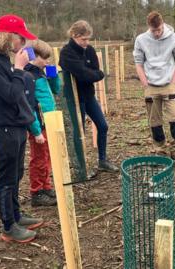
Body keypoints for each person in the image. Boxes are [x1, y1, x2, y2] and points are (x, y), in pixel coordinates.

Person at [0, 14, 44, 243]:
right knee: (6, 178)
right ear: (9, 36)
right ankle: (8, 226)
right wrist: (18, 69)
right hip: (3, 127)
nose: (23, 44)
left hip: (15, 125)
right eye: (21, 38)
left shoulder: (3, 60)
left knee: (16, 174)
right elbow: (12, 94)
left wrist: (19, 70)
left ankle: (16, 215)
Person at [59, 20, 119, 173]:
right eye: (83, 39)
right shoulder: (66, 53)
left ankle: (102, 160)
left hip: (89, 95)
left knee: (103, 126)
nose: (86, 42)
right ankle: (80, 167)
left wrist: (91, 74)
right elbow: (85, 74)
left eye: (88, 39)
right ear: (74, 35)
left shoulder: (90, 50)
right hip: (74, 98)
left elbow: (96, 73)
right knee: (79, 133)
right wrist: (91, 74)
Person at [133, 11, 175, 164]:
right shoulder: (141, 40)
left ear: (163, 24)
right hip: (151, 86)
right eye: (153, 30)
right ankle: (161, 150)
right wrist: (145, 83)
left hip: (169, 85)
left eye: (159, 30)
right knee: (155, 122)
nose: (157, 33)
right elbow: (138, 62)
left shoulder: (174, 38)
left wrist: (174, 80)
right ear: (149, 27)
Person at [24, 39, 61, 206]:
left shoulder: (41, 73)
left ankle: (46, 187)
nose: (47, 61)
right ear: (34, 56)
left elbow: (56, 90)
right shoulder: (29, 76)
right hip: (38, 124)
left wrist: (53, 75)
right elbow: (29, 105)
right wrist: (36, 130)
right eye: (44, 58)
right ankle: (36, 192)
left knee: (47, 156)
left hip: (49, 121)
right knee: (39, 158)